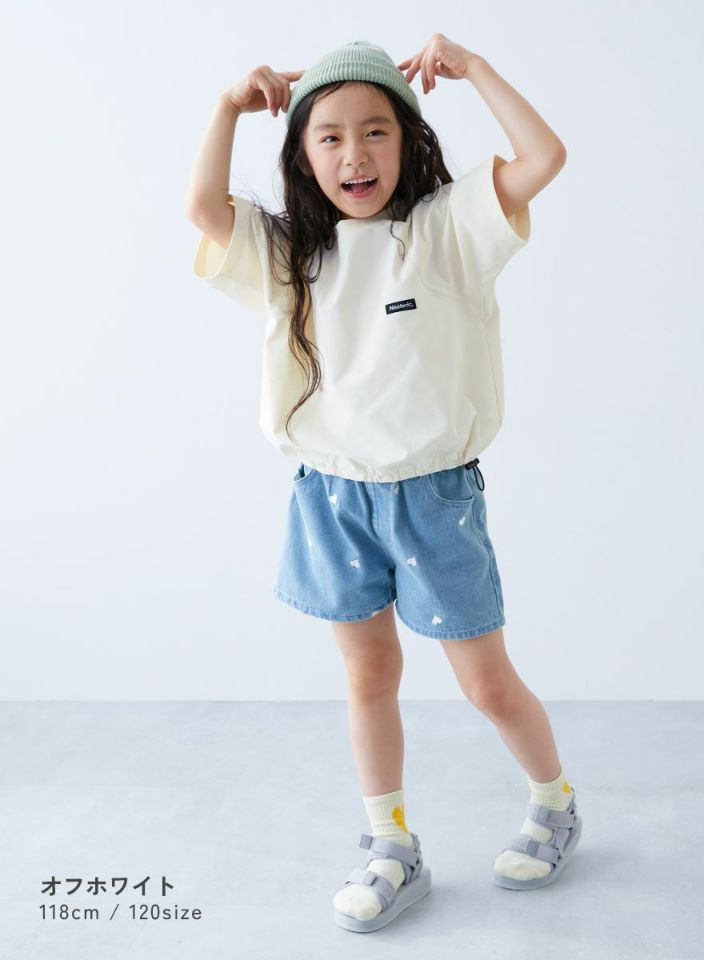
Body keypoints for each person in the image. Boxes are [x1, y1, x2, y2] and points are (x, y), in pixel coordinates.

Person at [186, 34, 581, 933]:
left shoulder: (444, 232)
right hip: (330, 496)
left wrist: (475, 69)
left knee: (486, 683)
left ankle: (555, 804)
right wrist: (226, 107)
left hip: (433, 496)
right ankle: (391, 844)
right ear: (302, 154)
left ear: (407, 139)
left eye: (376, 131)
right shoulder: (289, 253)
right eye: (329, 136)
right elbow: (203, 207)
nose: (355, 154)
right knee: (368, 677)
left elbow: (544, 157)